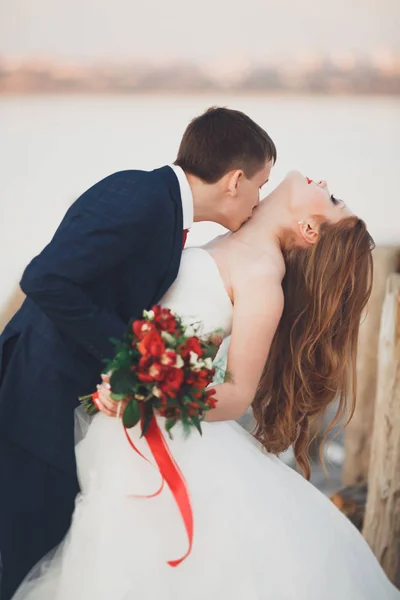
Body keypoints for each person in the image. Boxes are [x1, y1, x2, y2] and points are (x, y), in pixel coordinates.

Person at [12, 172, 399, 599]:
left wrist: (154, 389)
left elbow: (236, 394)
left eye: (333, 197)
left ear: (309, 228)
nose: (323, 182)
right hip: (118, 420)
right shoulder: (225, 237)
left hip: (161, 427)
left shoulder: (262, 278)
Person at [0, 107, 276, 600]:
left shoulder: (160, 204)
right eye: (260, 185)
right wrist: (134, 355)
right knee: (24, 555)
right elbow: (45, 279)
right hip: (36, 392)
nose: (260, 202)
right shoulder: (141, 196)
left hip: (64, 396)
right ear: (235, 180)